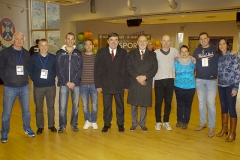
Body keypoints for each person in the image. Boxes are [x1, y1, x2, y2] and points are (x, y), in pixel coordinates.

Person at [0, 32, 35, 143]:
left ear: (23, 40)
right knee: (7, 112)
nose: (19, 41)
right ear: (13, 40)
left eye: (21, 39)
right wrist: (6, 80)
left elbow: (28, 67)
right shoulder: (4, 53)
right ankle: (4, 132)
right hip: (10, 87)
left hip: (24, 86)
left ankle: (27, 128)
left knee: (26, 111)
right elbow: (0, 68)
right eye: (17, 39)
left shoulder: (26, 53)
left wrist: (27, 78)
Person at [94, 32, 128, 133]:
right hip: (106, 85)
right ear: (108, 41)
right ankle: (107, 124)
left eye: (116, 40)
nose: (113, 42)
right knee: (107, 106)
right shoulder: (101, 52)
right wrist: (98, 85)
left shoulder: (123, 53)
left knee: (120, 106)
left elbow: (126, 70)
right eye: (111, 40)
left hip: (119, 84)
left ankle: (120, 124)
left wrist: (126, 85)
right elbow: (97, 70)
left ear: (118, 41)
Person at [127, 35, 158, 132]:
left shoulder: (152, 55)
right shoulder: (131, 54)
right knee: (134, 104)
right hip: (134, 82)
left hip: (146, 82)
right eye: (140, 41)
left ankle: (143, 123)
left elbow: (154, 68)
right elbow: (129, 67)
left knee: (144, 104)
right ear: (137, 42)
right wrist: (137, 77)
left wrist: (145, 77)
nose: (142, 43)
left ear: (147, 42)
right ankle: (134, 123)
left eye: (144, 41)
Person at [193, 32, 219, 137]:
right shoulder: (196, 51)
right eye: (201, 39)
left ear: (208, 39)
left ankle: (211, 126)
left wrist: (232, 52)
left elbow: (224, 54)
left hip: (212, 81)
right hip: (199, 80)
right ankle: (203, 122)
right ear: (199, 40)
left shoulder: (215, 50)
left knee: (211, 103)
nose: (203, 40)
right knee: (201, 103)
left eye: (205, 38)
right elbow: (193, 62)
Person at [56, 32, 83, 133]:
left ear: (74, 40)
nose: (70, 41)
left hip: (76, 84)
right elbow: (58, 69)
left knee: (75, 106)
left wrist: (74, 82)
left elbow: (80, 69)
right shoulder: (59, 53)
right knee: (62, 106)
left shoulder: (78, 53)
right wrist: (67, 82)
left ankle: (74, 124)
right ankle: (62, 125)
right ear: (65, 40)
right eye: (68, 39)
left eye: (72, 39)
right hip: (63, 84)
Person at [29, 39, 57, 134]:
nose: (44, 47)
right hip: (38, 87)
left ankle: (51, 125)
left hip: (50, 86)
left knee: (51, 107)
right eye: (42, 45)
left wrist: (51, 78)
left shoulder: (53, 57)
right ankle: (40, 126)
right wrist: (36, 79)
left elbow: (56, 70)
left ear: (48, 46)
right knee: (39, 108)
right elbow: (30, 71)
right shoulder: (33, 58)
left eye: (45, 45)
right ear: (38, 46)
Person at [216, 38, 240, 142]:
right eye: (220, 44)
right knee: (223, 107)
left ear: (227, 45)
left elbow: (237, 73)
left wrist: (235, 88)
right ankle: (224, 128)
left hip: (230, 86)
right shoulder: (220, 57)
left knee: (232, 108)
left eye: (223, 44)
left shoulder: (233, 56)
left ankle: (232, 133)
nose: (222, 46)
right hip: (221, 86)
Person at [154, 35, 179, 131]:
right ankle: (158, 122)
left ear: (170, 42)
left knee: (168, 102)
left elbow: (183, 56)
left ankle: (166, 121)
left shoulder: (174, 51)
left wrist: (192, 57)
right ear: (161, 41)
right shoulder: (155, 53)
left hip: (170, 80)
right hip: (159, 80)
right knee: (158, 102)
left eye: (168, 41)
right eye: (164, 40)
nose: (166, 42)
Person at [174, 45, 196, 129]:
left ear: (188, 53)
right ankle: (179, 120)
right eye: (182, 51)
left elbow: (199, 69)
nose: (184, 53)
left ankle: (186, 122)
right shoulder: (176, 62)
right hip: (179, 86)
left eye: (185, 51)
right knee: (180, 104)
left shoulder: (193, 62)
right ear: (180, 53)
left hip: (190, 87)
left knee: (188, 105)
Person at [80, 39, 98, 130]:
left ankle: (94, 121)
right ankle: (87, 120)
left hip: (94, 85)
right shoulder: (81, 57)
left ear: (93, 46)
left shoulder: (96, 57)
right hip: (83, 85)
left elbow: (99, 72)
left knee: (94, 105)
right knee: (85, 105)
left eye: (90, 44)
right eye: (86, 44)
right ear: (84, 46)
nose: (88, 46)